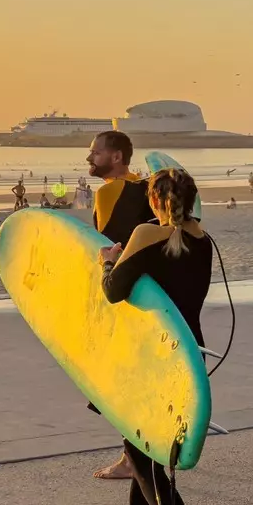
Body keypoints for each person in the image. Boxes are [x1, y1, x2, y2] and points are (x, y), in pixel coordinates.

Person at [99, 167, 216, 505]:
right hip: (188, 357)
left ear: (153, 200)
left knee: (140, 456)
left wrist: (109, 261)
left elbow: (113, 291)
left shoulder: (145, 236)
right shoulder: (203, 239)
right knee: (144, 450)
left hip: (150, 361)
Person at [86, 131, 157, 481]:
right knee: (140, 377)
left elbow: (104, 242)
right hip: (152, 294)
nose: (90, 158)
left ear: (116, 157)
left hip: (122, 292)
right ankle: (140, 451)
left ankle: (132, 458)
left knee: (120, 381)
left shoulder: (109, 191)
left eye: (96, 153)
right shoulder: (147, 188)